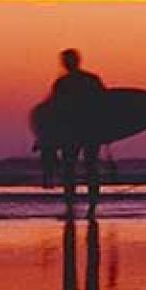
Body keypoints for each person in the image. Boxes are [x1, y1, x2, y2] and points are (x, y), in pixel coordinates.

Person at [43, 49, 107, 218]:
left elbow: (54, 110)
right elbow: (105, 106)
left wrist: (49, 136)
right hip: (90, 130)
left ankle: (72, 208)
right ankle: (90, 209)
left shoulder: (62, 83)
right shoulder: (91, 80)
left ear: (67, 63)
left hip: (72, 131)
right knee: (90, 168)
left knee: (70, 169)